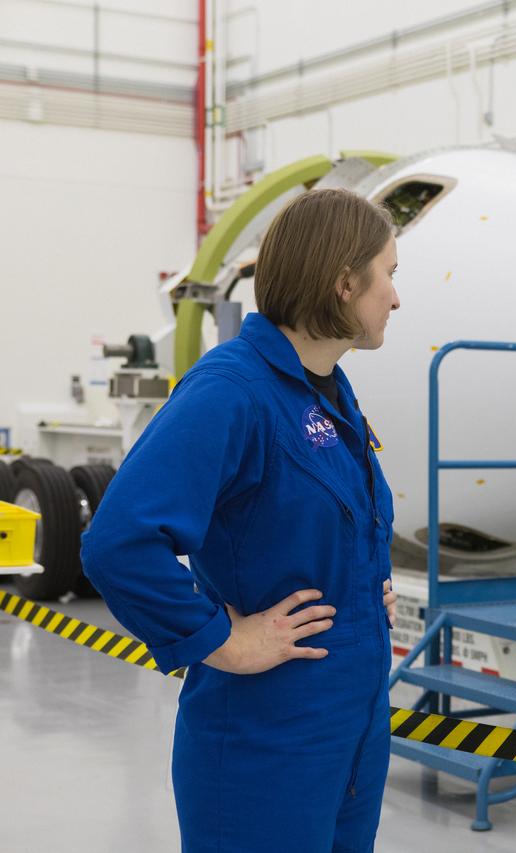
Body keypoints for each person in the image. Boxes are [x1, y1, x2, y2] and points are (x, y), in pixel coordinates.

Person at [82, 187, 402, 852]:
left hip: (348, 739)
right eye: (389, 275)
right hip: (266, 747)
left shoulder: (326, 388)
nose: (395, 298)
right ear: (345, 282)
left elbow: (300, 522)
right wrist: (220, 639)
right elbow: (119, 541)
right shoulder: (233, 390)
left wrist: (362, 581)